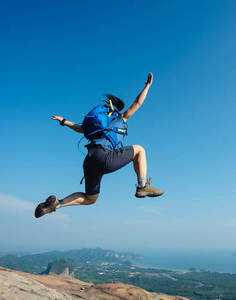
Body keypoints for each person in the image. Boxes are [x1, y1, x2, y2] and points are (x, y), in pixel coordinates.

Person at [35, 73, 163, 218]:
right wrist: (147, 87)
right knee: (140, 150)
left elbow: (80, 128)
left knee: (91, 199)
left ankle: (56, 204)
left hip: (89, 162)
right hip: (103, 158)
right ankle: (142, 186)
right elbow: (138, 103)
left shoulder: (98, 126)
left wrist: (64, 121)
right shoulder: (120, 118)